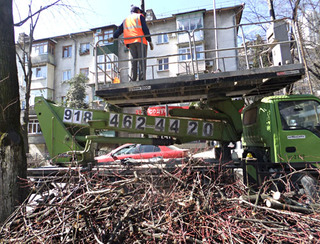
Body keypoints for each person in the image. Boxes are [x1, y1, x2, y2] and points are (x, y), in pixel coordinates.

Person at [108, 5, 154, 81]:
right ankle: (142, 79)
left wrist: (113, 37)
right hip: (140, 41)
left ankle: (133, 78)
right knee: (142, 60)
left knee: (134, 61)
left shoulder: (126, 20)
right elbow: (145, 29)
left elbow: (119, 30)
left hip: (130, 42)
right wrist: (149, 40)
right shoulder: (140, 16)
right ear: (138, 11)